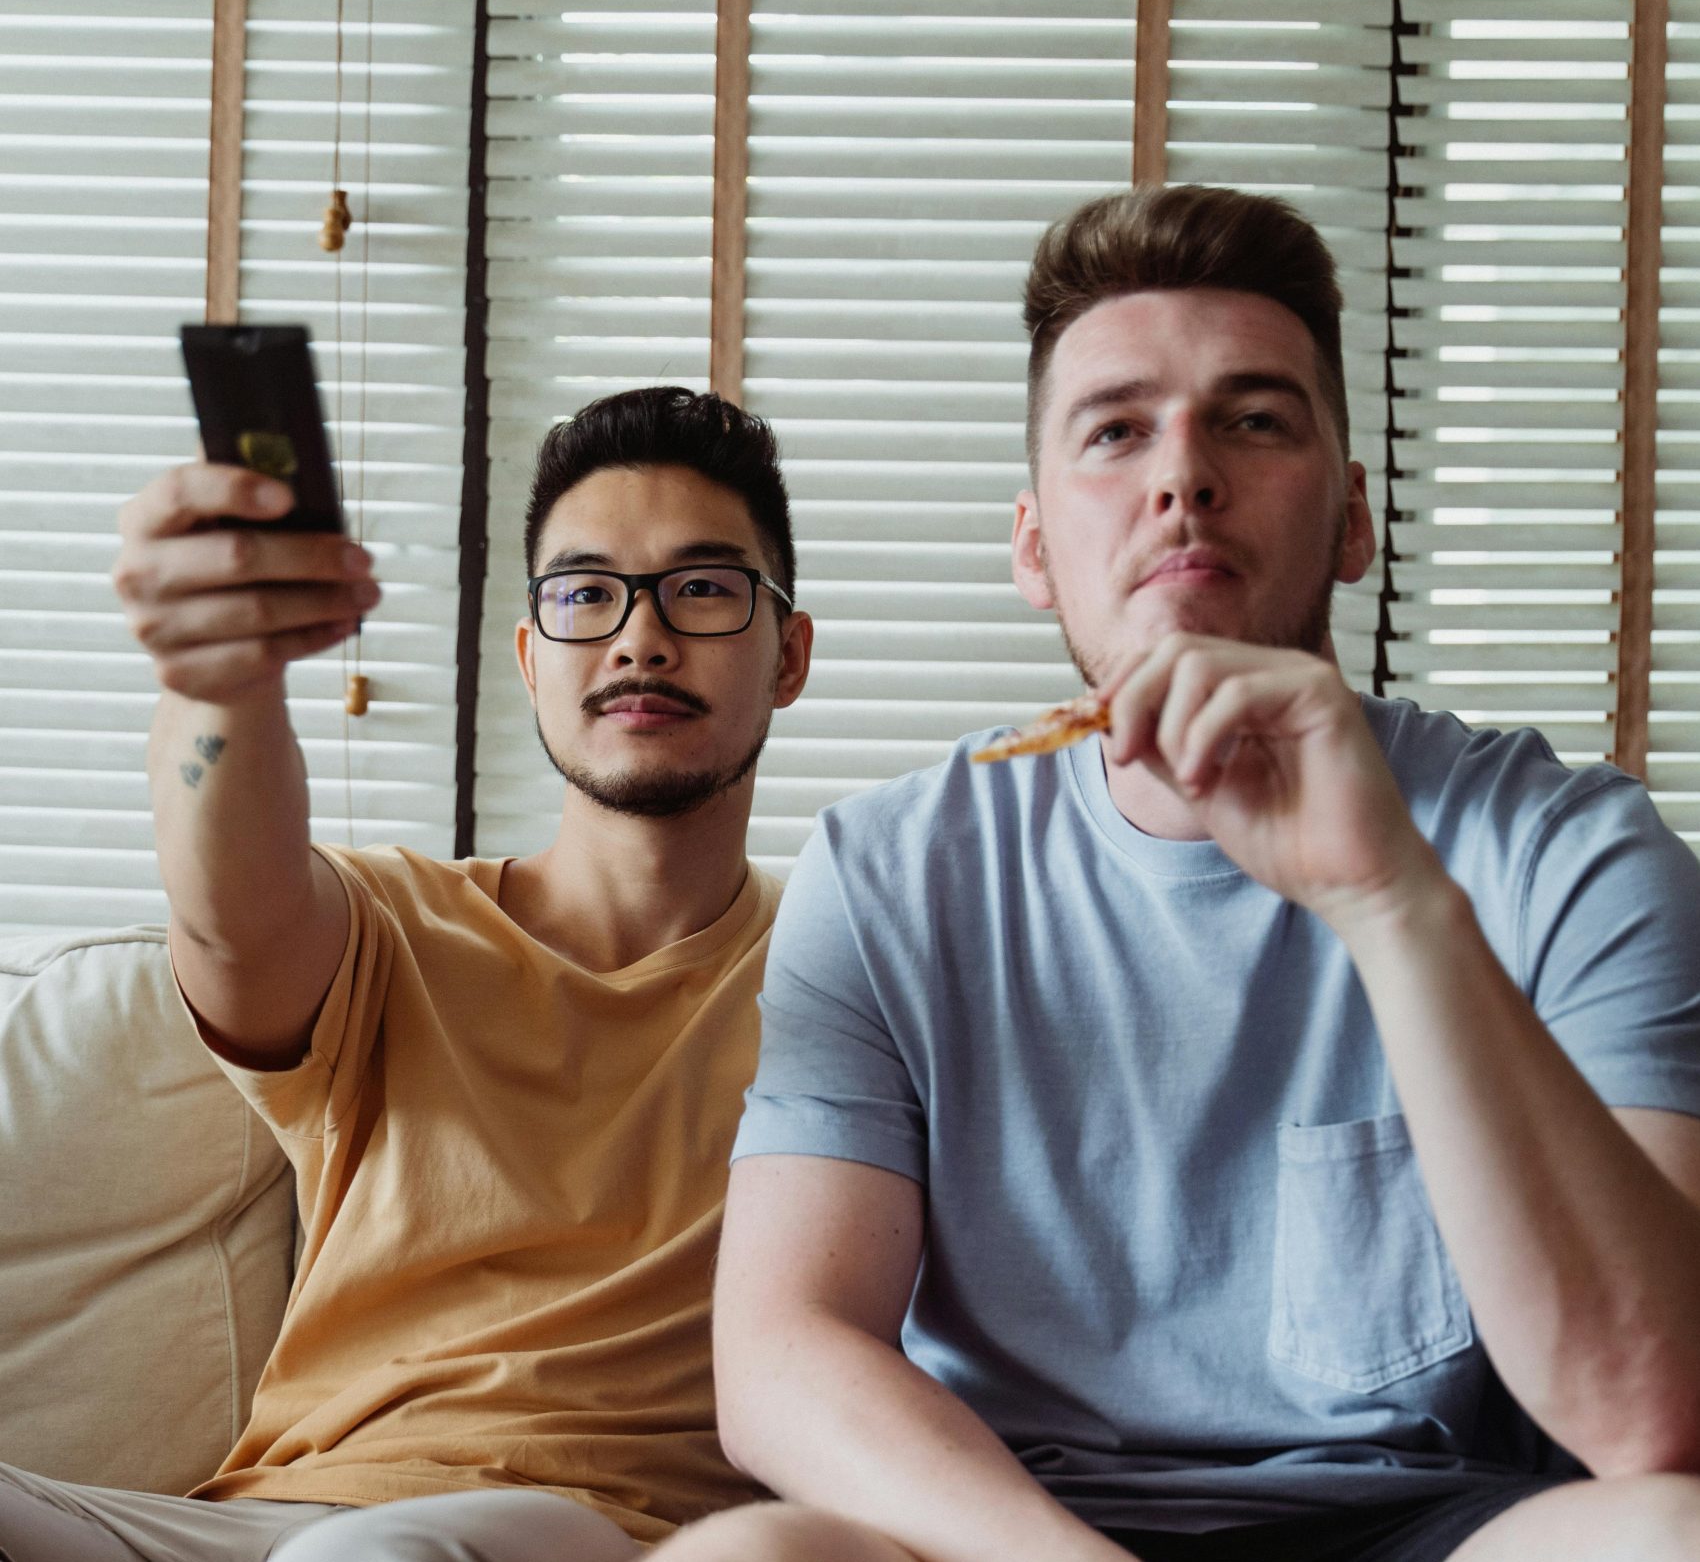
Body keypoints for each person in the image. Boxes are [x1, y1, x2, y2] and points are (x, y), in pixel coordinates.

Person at [660, 185, 1700, 1562]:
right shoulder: (893, 872)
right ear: (1035, 546)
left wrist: (1393, 906)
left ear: (1350, 518)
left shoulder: (1574, 854)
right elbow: (784, 1355)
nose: (1182, 476)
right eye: (1117, 430)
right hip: (1019, 1539)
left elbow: (1651, 1417)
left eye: (1256, 419)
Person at [0, 387, 811, 1561]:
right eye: (586, 591)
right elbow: (230, 913)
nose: (640, 634)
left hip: (581, 1531)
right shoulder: (390, 923)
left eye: (701, 586)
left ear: (786, 653)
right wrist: (219, 675)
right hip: (256, 1527)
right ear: (531, 660)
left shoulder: (852, 960)